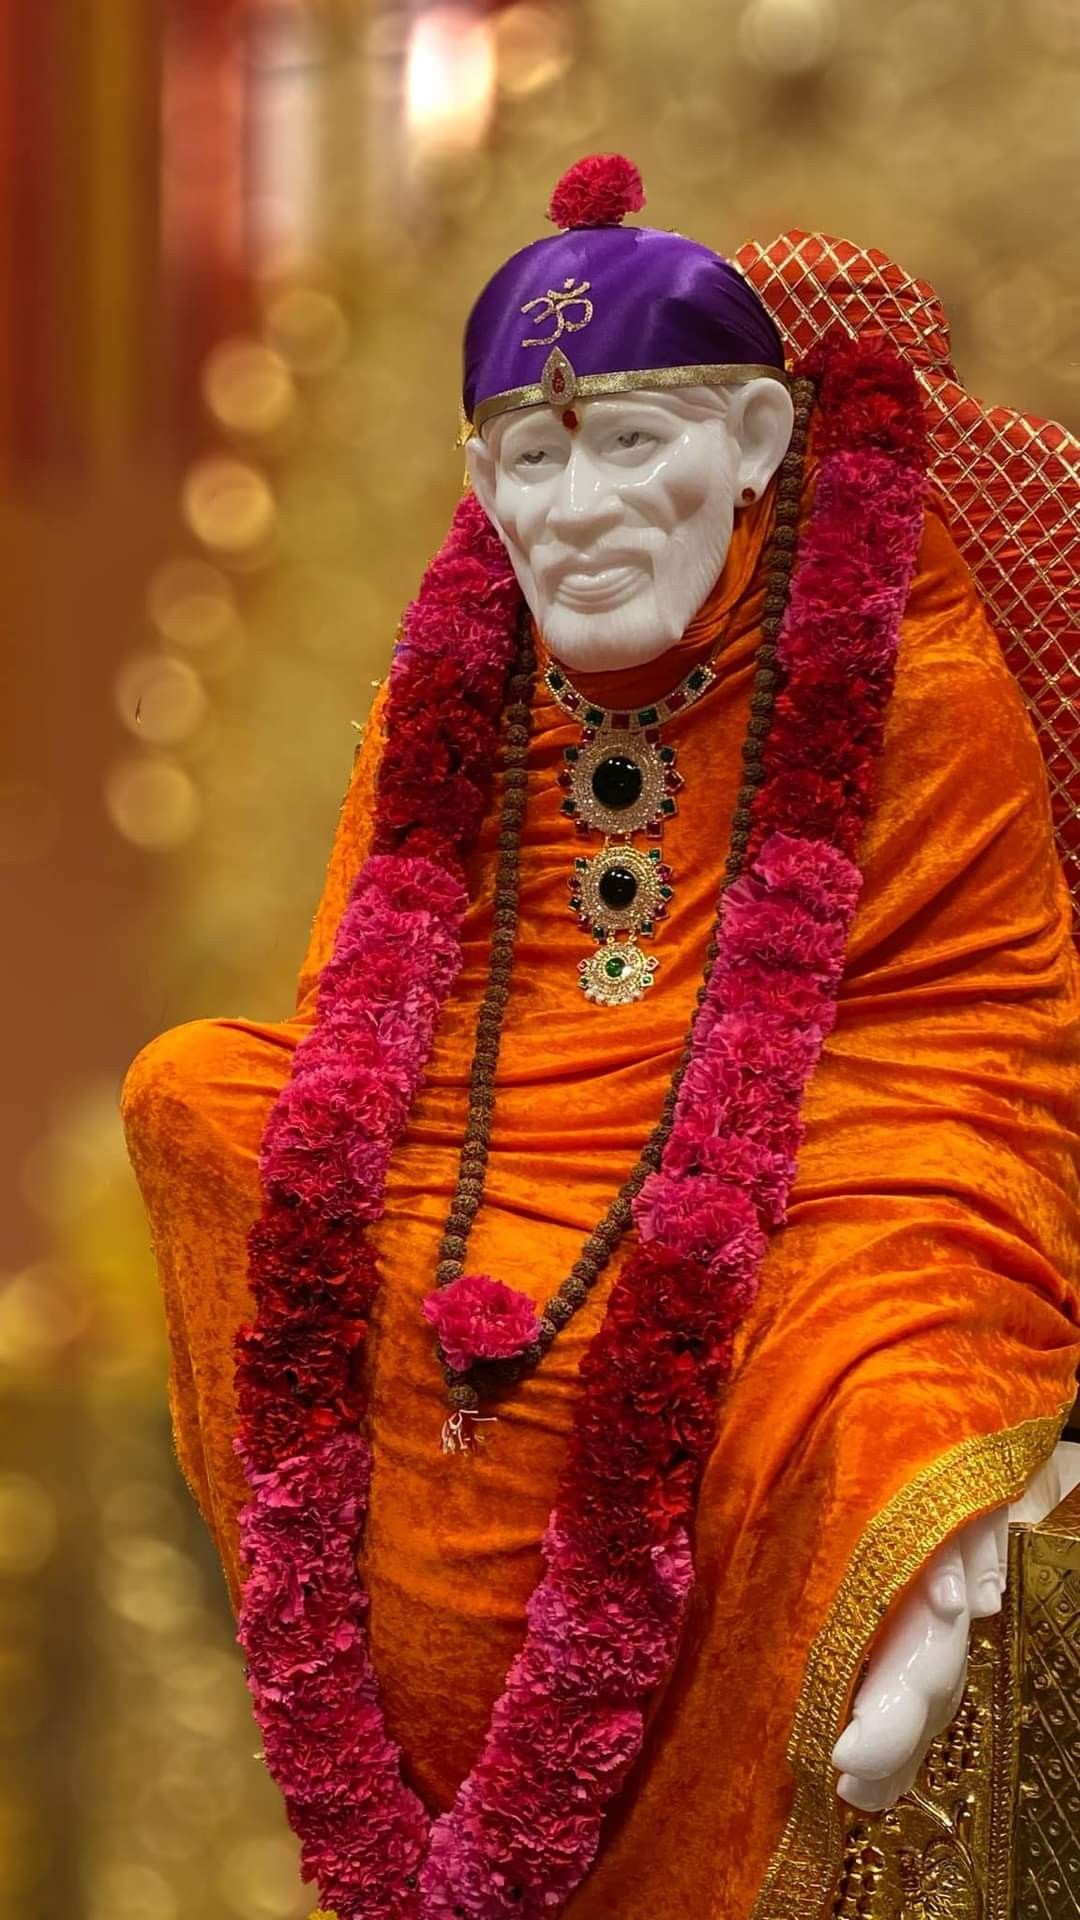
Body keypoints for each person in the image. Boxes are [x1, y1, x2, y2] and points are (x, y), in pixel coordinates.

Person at [120, 157, 1080, 1920]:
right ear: (479, 487)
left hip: (819, 1151)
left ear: (758, 447)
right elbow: (361, 1028)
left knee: (878, 1340)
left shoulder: (913, 680)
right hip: (496, 1150)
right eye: (533, 461)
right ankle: (371, 1672)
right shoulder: (456, 691)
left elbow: (976, 1035)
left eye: (632, 444)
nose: (578, 511)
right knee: (191, 1094)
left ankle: (894, 1611)